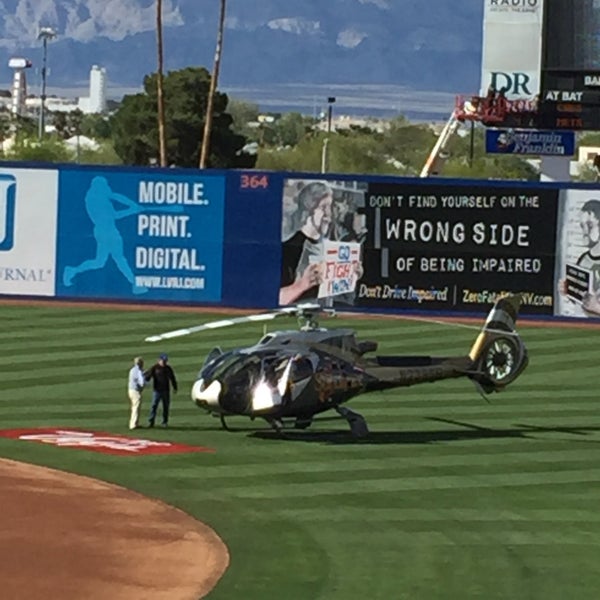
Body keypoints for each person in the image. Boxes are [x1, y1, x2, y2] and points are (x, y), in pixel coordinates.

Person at [558, 199, 600, 316]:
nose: (585, 231)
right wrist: (569, 290)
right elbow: (580, 299)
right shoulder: (583, 259)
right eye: (582, 226)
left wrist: (597, 308)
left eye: (590, 225)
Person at [145, 353, 178, 427]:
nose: (164, 362)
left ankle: (164, 422)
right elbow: (148, 376)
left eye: (165, 361)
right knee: (154, 406)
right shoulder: (155, 368)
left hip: (166, 390)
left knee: (165, 406)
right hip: (157, 390)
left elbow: (172, 378)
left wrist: (175, 387)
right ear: (159, 360)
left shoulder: (168, 368)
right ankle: (151, 421)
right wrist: (145, 380)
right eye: (163, 361)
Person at [127, 357, 146, 430]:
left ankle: (135, 423)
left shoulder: (132, 370)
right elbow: (142, 383)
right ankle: (133, 424)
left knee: (134, 406)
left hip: (130, 390)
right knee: (135, 407)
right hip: (135, 391)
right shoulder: (138, 371)